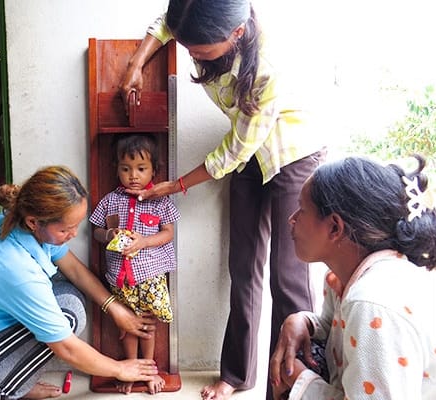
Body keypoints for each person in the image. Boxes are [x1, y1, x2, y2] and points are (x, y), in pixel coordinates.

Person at [119, 1, 326, 399]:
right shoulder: (202, 19)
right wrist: (136, 64)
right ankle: (236, 375)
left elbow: (233, 152)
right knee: (242, 268)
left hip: (293, 155)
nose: (191, 54)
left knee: (289, 277)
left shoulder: (267, 64)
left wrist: (175, 186)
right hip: (249, 154)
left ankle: (291, 386)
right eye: (187, 46)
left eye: (198, 49)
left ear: (234, 34)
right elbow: (167, 24)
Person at [0, 166, 158, 400]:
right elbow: (66, 348)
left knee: (69, 294)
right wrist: (120, 369)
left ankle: (10, 382)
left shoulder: (15, 222)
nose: (75, 234)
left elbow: (75, 271)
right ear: (34, 222)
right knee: (68, 314)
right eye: (66, 229)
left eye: (76, 225)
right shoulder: (16, 269)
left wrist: (115, 307)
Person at [269, 155, 436, 399]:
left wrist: (299, 381)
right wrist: (303, 322)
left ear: (335, 228)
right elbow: (335, 330)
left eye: (302, 210)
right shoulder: (344, 277)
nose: (291, 219)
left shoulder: (372, 303)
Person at [89, 134, 180, 394]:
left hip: (149, 276)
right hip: (120, 277)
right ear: (116, 168)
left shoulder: (161, 201)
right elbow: (95, 230)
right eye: (125, 169)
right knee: (127, 324)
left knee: (147, 324)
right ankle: (129, 368)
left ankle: (149, 371)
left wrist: (144, 242)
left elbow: (168, 233)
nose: (133, 175)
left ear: (154, 169)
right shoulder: (110, 200)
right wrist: (108, 235)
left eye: (141, 169)